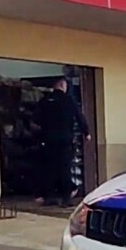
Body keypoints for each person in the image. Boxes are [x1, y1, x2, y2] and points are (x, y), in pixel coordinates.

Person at [33, 78, 90, 207]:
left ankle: (49, 197)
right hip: (65, 139)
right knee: (65, 168)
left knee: (50, 168)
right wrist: (86, 132)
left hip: (48, 139)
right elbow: (79, 116)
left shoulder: (44, 101)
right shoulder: (69, 100)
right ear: (62, 86)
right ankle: (66, 199)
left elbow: (35, 119)